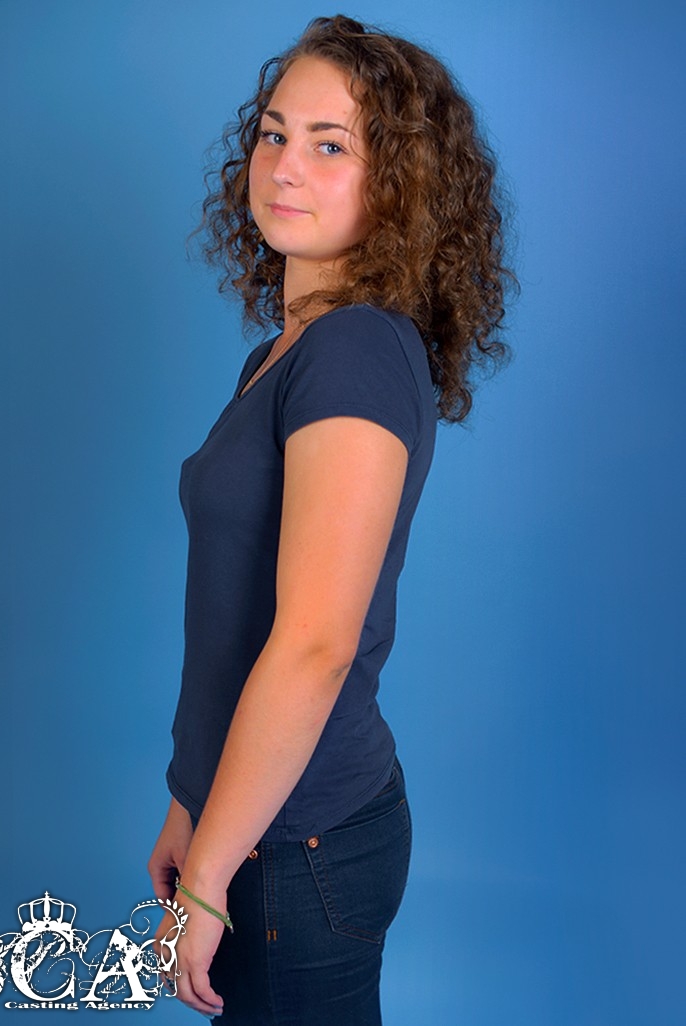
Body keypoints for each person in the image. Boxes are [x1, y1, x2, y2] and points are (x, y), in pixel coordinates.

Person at [149, 14, 514, 1024]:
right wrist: (191, 803)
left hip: (298, 850)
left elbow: (315, 645)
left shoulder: (352, 352)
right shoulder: (286, 354)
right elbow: (232, 619)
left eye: (329, 145)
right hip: (252, 823)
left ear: (398, 184)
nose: (283, 167)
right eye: (273, 133)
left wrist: (211, 881)